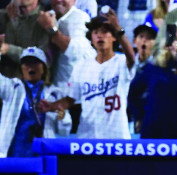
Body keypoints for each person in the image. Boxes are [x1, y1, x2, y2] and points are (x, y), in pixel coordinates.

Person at [40, 11, 136, 139]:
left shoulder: (121, 62)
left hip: (116, 136)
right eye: (96, 33)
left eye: (104, 32)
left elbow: (132, 58)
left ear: (114, 37)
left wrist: (119, 29)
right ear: (91, 39)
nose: (100, 36)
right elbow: (70, 99)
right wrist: (52, 106)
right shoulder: (82, 66)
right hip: (87, 137)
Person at [0, 45, 70, 157]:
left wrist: (62, 117)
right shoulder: (12, 88)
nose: (30, 67)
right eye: (26, 63)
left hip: (42, 156)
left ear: (44, 68)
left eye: (35, 63)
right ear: (21, 68)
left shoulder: (54, 94)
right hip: (13, 155)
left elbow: (64, 132)